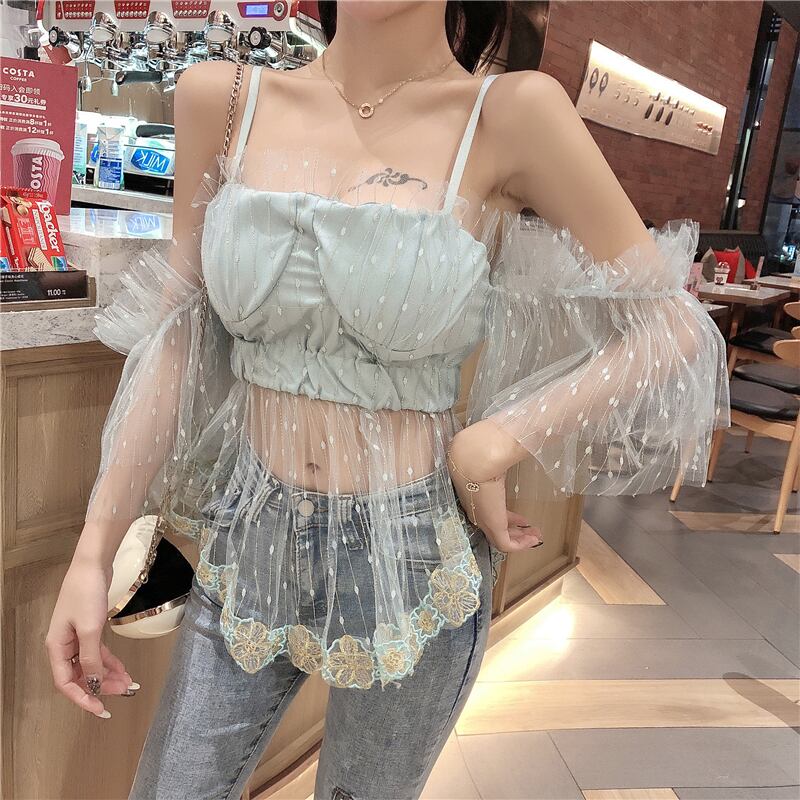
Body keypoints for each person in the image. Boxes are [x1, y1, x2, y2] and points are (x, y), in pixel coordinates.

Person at [45, 1, 730, 798]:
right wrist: (93, 554)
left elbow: (670, 326)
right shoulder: (221, 98)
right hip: (250, 535)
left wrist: (495, 441)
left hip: (413, 554)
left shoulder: (510, 114)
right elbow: (178, 337)